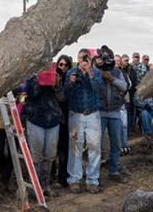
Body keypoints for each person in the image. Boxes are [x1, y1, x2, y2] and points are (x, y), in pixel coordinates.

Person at [64, 49, 103, 194]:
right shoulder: (72, 73)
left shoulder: (96, 72)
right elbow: (65, 94)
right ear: (77, 59)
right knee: (75, 147)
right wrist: (71, 83)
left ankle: (92, 180)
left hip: (93, 114)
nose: (83, 61)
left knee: (95, 147)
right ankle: (74, 180)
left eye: (85, 58)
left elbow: (98, 89)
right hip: (76, 115)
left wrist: (90, 72)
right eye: (80, 58)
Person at [24, 66, 63, 197]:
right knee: (37, 156)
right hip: (36, 118)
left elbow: (61, 97)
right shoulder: (31, 74)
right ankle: (35, 187)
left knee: (50, 155)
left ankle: (45, 186)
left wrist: (57, 84)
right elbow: (31, 94)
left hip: (53, 118)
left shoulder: (54, 74)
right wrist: (39, 80)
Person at [94, 46, 128, 185]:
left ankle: (114, 171)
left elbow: (125, 87)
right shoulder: (95, 71)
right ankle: (95, 175)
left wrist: (111, 78)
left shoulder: (117, 72)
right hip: (99, 112)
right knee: (97, 145)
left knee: (116, 144)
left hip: (114, 112)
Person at [52, 54, 72, 188]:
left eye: (66, 65)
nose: (63, 67)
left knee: (64, 148)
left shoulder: (70, 79)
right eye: (61, 64)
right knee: (52, 148)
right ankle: (51, 174)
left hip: (66, 117)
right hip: (53, 117)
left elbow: (65, 98)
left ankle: (62, 177)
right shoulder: (52, 78)